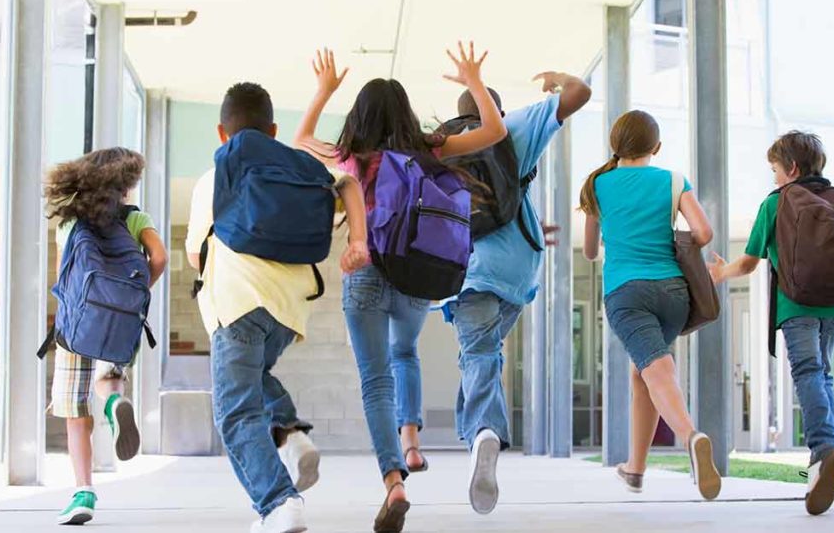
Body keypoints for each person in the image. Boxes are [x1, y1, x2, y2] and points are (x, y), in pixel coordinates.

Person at [294, 43, 506, 532]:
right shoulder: (429, 148)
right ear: (405, 113)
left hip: (366, 271)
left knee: (375, 382)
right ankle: (413, 440)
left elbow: (303, 136)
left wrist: (324, 89)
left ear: (360, 117)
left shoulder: (354, 157)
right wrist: (474, 80)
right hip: (417, 273)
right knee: (404, 351)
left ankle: (393, 480)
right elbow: (493, 131)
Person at [186, 82, 369, 533]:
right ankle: (291, 433)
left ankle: (278, 503)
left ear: (221, 133)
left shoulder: (215, 176)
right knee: (255, 378)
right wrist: (360, 240)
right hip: (288, 312)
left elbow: (195, 254)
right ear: (273, 129)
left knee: (235, 412)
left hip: (238, 304)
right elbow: (347, 183)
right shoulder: (300, 168)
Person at [439, 72, 590, 514]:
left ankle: (484, 431)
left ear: (458, 113)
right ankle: (478, 433)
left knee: (478, 352)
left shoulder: (443, 144)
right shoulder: (513, 128)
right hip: (519, 268)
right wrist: (557, 79)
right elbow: (580, 93)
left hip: (466, 267)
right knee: (482, 352)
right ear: (495, 110)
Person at [709, 131, 834, 515]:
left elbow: (748, 263)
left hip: (796, 304)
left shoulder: (776, 204)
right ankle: (824, 461)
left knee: (808, 372)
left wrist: (720, 273)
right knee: (823, 374)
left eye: (774, 170)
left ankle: (824, 449)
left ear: (792, 168)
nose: (774, 178)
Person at [581, 110, 721, 501]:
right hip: (674, 293)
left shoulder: (597, 185)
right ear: (655, 148)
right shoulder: (673, 180)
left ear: (615, 144)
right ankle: (635, 469)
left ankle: (691, 437)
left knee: (657, 371)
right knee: (642, 373)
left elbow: (591, 251)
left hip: (627, 293)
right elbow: (704, 232)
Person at [44, 147, 169, 525]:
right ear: (124, 186)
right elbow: (160, 256)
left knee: (75, 411)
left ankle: (83, 492)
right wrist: (136, 294)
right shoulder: (135, 218)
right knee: (109, 378)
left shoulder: (69, 223)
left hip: (74, 325)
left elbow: (66, 276)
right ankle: (114, 404)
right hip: (119, 318)